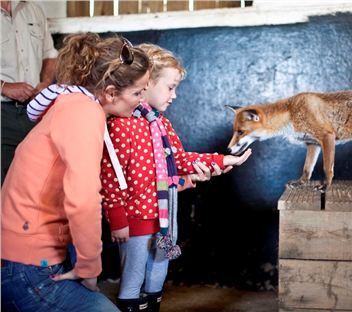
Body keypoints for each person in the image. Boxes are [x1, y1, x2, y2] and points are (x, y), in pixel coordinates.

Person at [1, 32, 151, 312]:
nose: (142, 101)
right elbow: (82, 198)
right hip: (29, 266)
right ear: (109, 93)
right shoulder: (84, 113)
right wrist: (89, 267)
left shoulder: (72, 104)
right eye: (137, 92)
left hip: (23, 256)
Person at [100, 43, 251, 312]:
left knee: (157, 273)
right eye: (170, 87)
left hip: (164, 217)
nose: (174, 95)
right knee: (133, 278)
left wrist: (219, 160)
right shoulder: (122, 124)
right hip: (136, 219)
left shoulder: (162, 123)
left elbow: (179, 160)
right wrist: (118, 218)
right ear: (146, 85)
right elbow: (111, 175)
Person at [1, 0, 58, 183]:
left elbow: (49, 54)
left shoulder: (33, 9)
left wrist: (46, 82)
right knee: (5, 184)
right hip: (2, 114)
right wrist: (4, 87)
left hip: (34, 111)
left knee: (37, 181)